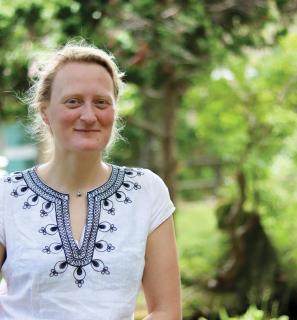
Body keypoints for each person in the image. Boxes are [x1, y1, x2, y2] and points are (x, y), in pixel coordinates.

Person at [0, 42, 181, 320]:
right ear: (45, 111)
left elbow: (166, 311)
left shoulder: (146, 191)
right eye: (73, 101)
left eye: (101, 102)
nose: (88, 115)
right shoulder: (6, 195)